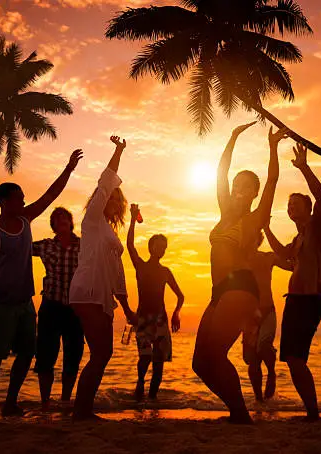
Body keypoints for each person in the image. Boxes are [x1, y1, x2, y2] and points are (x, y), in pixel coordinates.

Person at [0, 149, 83, 418]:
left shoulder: (25, 219)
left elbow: (50, 195)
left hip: (24, 305)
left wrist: (68, 169)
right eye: (19, 197)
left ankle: (10, 402)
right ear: (5, 201)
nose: (24, 200)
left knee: (26, 355)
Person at [192, 122, 289, 424]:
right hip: (218, 292)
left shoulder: (254, 219)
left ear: (253, 194)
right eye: (236, 185)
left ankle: (240, 414)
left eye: (246, 187)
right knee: (200, 363)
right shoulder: (223, 212)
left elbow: (272, 180)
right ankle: (237, 410)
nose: (237, 190)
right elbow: (220, 173)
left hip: (241, 289)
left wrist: (273, 147)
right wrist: (231, 138)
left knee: (215, 355)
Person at [264, 142, 321, 421]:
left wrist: (304, 167)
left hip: (310, 301)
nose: (291, 207)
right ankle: (312, 411)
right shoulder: (297, 240)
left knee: (296, 359)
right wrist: (265, 227)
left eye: (296, 203)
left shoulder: (317, 229)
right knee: (293, 361)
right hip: (294, 303)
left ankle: (313, 413)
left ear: (307, 209)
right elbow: (282, 255)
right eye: (289, 205)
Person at [69, 135, 136, 421]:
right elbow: (105, 182)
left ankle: (83, 409)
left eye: (118, 199)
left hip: (102, 295)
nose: (115, 201)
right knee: (101, 353)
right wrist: (118, 151)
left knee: (102, 353)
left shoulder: (108, 230)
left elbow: (117, 274)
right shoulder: (93, 219)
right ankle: (81, 411)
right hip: (88, 291)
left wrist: (127, 306)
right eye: (113, 197)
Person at [127, 203, 184, 401]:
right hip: (143, 318)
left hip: (161, 320)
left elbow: (181, 295)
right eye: (158, 246)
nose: (161, 249)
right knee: (145, 357)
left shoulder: (165, 272)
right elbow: (130, 246)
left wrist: (177, 313)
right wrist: (133, 220)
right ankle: (140, 384)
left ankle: (152, 399)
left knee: (158, 362)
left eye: (164, 247)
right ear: (151, 247)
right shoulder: (141, 267)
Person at [32, 207, 83, 409]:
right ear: (53, 225)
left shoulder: (84, 245)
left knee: (73, 355)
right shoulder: (46, 246)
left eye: (65, 218)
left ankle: (65, 400)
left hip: (75, 308)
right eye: (57, 219)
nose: (61, 221)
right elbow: (19, 248)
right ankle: (45, 401)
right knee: (45, 356)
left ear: (71, 222)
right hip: (51, 306)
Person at [243, 232, 292, 402]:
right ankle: (258, 400)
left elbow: (291, 266)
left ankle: (271, 372)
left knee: (263, 346)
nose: (250, 240)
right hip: (248, 314)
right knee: (252, 360)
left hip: (267, 310)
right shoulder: (240, 261)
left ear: (258, 240)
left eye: (253, 237)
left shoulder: (268, 257)